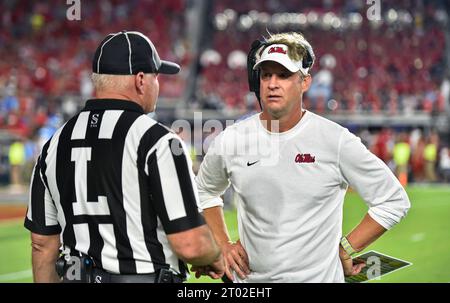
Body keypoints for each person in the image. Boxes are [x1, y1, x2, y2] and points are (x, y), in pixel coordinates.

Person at [194, 32, 411, 283]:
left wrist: (347, 248)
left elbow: (393, 200)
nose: (272, 83)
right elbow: (204, 192)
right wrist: (223, 244)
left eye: (284, 75)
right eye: (266, 75)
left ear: (305, 82)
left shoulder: (334, 140)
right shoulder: (232, 140)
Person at [24, 30, 224, 283]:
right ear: (141, 80)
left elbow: (42, 244)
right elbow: (191, 245)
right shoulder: (158, 140)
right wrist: (216, 256)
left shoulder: (54, 143)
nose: (158, 85)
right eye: (156, 76)